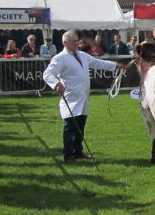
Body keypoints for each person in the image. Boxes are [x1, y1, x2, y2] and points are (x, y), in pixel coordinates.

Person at [43, 31, 121, 163]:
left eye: (77, 40)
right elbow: (47, 74)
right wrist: (57, 84)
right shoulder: (59, 58)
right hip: (71, 97)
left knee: (80, 127)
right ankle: (68, 155)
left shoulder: (82, 55)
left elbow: (98, 63)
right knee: (70, 128)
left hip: (83, 97)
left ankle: (78, 152)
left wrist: (115, 65)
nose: (76, 43)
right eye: (73, 41)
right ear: (65, 43)